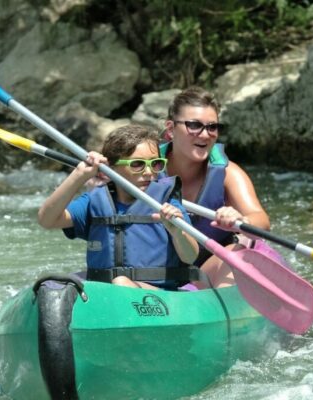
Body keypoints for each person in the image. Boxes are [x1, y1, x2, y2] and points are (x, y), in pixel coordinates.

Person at [37, 124, 199, 290]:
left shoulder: (166, 202)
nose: (149, 172)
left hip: (158, 294)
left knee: (121, 283)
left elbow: (190, 257)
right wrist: (79, 175)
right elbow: (47, 220)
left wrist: (177, 232)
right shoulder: (95, 201)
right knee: (50, 286)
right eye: (137, 164)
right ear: (111, 169)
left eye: (156, 163)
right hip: (109, 293)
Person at [160, 86, 271, 288]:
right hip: (157, 268)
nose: (205, 135)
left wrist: (241, 219)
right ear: (170, 129)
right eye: (194, 125)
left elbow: (260, 220)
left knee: (240, 248)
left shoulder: (229, 174)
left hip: (209, 269)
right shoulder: (143, 169)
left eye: (212, 127)